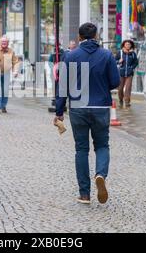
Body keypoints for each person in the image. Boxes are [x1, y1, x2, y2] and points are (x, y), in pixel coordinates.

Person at [55, 23, 120, 205]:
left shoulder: (70, 56)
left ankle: (84, 194)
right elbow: (115, 81)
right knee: (102, 145)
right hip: (101, 107)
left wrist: (59, 111)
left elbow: (63, 86)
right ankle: (100, 174)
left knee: (81, 149)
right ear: (96, 36)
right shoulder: (106, 55)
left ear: (80, 37)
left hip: (78, 107)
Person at [0, 36, 19, 113]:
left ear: (8, 43)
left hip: (6, 73)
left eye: (5, 42)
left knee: (5, 90)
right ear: (0, 42)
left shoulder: (11, 51)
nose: (4, 43)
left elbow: (15, 62)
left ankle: (3, 106)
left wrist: (15, 71)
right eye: (2, 42)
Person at [115, 39, 138, 108]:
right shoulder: (120, 53)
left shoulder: (133, 54)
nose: (128, 45)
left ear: (131, 45)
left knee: (128, 88)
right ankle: (120, 100)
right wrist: (119, 61)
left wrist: (131, 68)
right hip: (121, 73)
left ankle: (127, 102)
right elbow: (114, 60)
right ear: (124, 45)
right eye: (127, 44)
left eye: (129, 44)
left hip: (129, 74)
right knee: (120, 89)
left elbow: (136, 62)